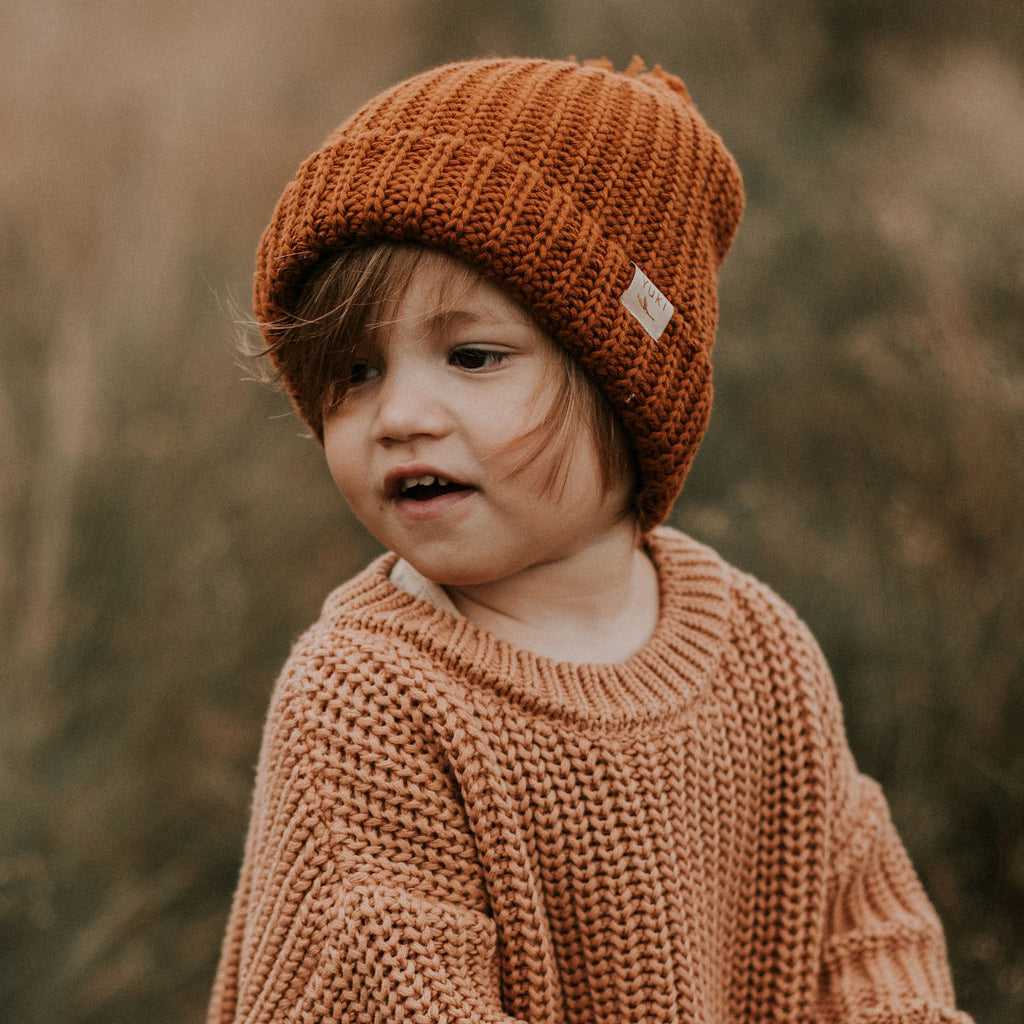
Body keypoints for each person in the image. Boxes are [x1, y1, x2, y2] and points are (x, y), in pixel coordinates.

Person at [207, 56, 972, 1024]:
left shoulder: (755, 644)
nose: (398, 413)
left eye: (472, 355)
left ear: (627, 379)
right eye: (353, 372)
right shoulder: (369, 694)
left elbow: (865, 931)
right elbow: (395, 984)